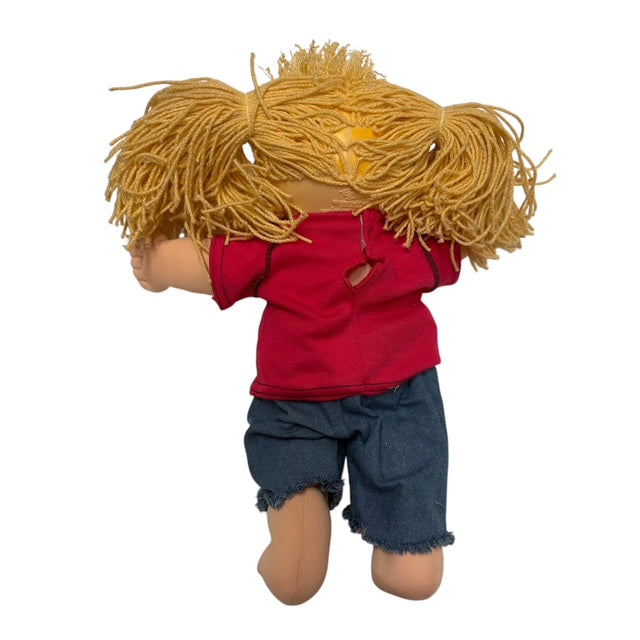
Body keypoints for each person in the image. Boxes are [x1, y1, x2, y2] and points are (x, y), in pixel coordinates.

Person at [107, 42, 547, 604]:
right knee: (297, 580)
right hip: (295, 406)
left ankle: (389, 542)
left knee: (413, 579)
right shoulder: (276, 235)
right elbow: (212, 262)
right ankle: (290, 539)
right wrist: (160, 264)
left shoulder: (405, 231)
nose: (341, 154)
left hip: (400, 400)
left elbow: (464, 233)